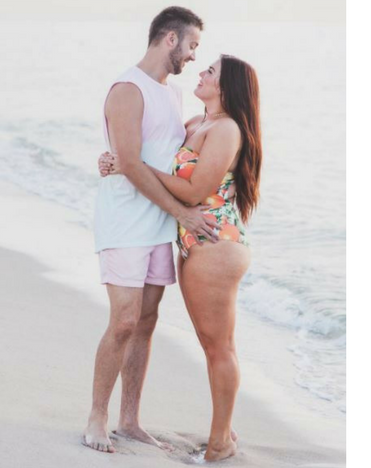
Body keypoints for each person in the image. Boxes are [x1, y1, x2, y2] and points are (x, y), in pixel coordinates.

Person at [99, 54, 262, 462]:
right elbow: (158, 161)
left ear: (227, 87)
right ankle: (224, 427)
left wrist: (131, 166)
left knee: (218, 347)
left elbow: (193, 192)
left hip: (216, 244)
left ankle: (221, 442)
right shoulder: (194, 124)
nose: (201, 72)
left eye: (211, 71)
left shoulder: (226, 129)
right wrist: (118, 163)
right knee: (213, 344)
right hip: (193, 242)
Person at [83, 6, 220, 454]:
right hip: (124, 221)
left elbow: (166, 155)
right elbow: (130, 163)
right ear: (170, 39)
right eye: (192, 45)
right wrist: (182, 213)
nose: (194, 56)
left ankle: (130, 420)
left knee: (146, 321)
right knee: (123, 321)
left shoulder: (173, 94)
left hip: (159, 224)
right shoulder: (128, 89)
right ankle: (97, 417)